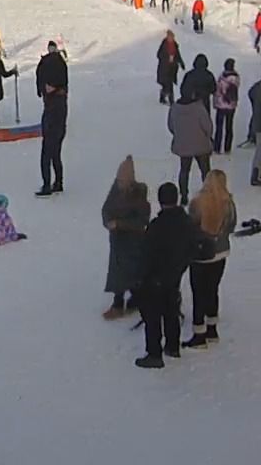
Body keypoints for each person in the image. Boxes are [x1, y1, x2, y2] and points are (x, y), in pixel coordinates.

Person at [136, 183, 197, 369]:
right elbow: (192, 249)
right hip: (174, 275)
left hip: (155, 278)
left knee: (153, 316)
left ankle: (154, 354)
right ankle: (172, 346)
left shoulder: (156, 226)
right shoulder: (186, 223)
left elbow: (146, 254)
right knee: (171, 310)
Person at [184, 170, 236, 348]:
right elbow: (232, 226)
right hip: (220, 253)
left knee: (199, 293)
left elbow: (190, 228)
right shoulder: (228, 203)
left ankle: (199, 334)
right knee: (212, 289)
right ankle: (212, 329)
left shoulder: (197, 203)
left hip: (200, 256)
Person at [101, 156, 149, 320]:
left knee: (131, 272)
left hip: (132, 241)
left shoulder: (138, 195)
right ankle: (120, 302)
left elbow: (142, 220)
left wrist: (119, 224)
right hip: (117, 241)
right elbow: (106, 208)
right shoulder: (116, 190)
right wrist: (107, 221)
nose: (120, 183)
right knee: (118, 272)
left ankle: (130, 301)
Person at [168, 85, 213, 206]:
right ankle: (208, 192)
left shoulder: (174, 108)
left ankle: (183, 195)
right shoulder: (199, 108)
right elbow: (208, 127)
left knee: (184, 170)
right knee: (205, 170)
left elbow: (171, 126)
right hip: (201, 144)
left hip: (183, 145)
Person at [35, 42, 68, 197]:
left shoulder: (54, 98)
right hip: (59, 128)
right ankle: (58, 183)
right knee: (56, 155)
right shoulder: (61, 95)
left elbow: (51, 116)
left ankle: (47, 185)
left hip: (53, 127)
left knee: (46, 156)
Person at [213, 58, 240, 154]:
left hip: (221, 104)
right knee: (229, 126)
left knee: (219, 127)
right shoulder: (236, 77)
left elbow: (217, 89)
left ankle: (217, 147)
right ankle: (227, 147)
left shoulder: (222, 76)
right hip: (231, 105)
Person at [155, 31, 184, 105]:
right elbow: (159, 55)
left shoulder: (175, 45)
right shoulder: (164, 44)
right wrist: (167, 58)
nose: (171, 38)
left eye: (172, 37)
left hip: (172, 68)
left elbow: (178, 55)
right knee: (166, 85)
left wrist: (181, 63)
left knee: (169, 84)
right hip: (164, 68)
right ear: (167, 37)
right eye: (170, 37)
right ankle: (167, 99)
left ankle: (170, 100)